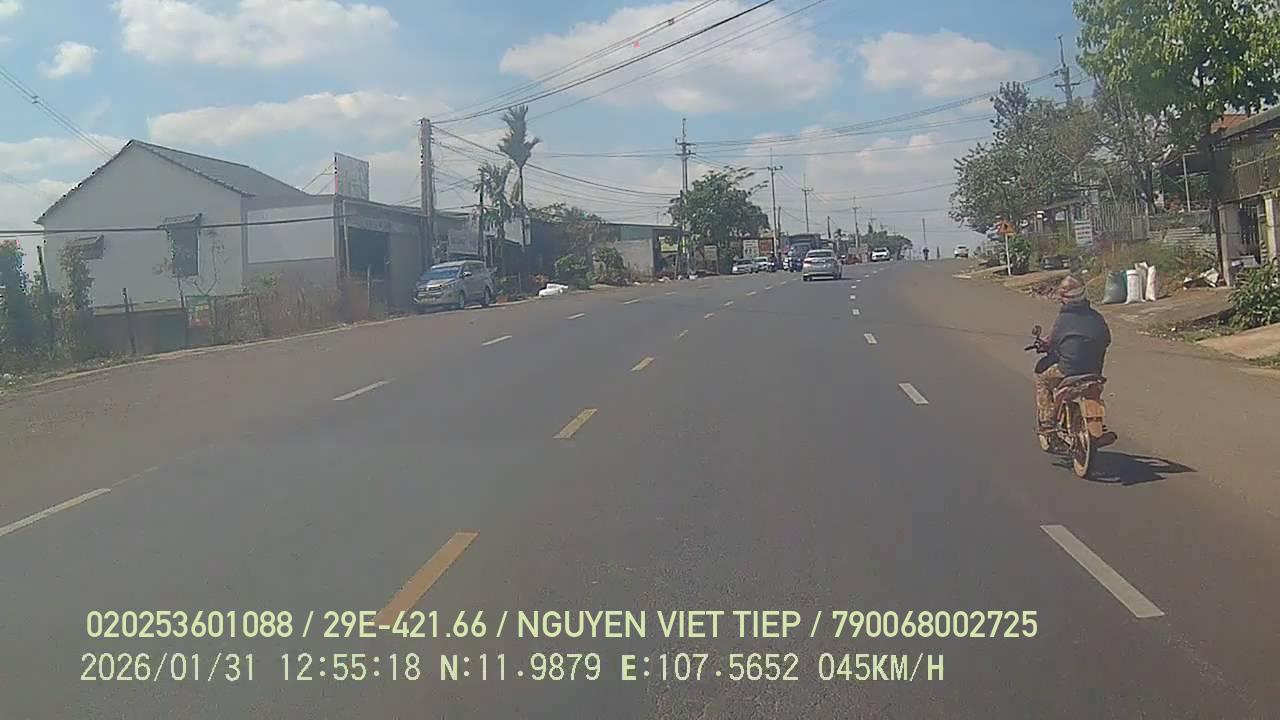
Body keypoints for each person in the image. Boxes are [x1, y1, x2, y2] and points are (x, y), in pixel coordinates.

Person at [1036, 275, 1112, 432]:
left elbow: (1053, 342)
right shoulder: (1097, 317)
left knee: (1042, 381)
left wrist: (1045, 345)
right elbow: (1107, 338)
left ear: (1064, 297)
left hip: (1069, 370)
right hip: (1095, 370)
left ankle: (1047, 420)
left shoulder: (1064, 319)